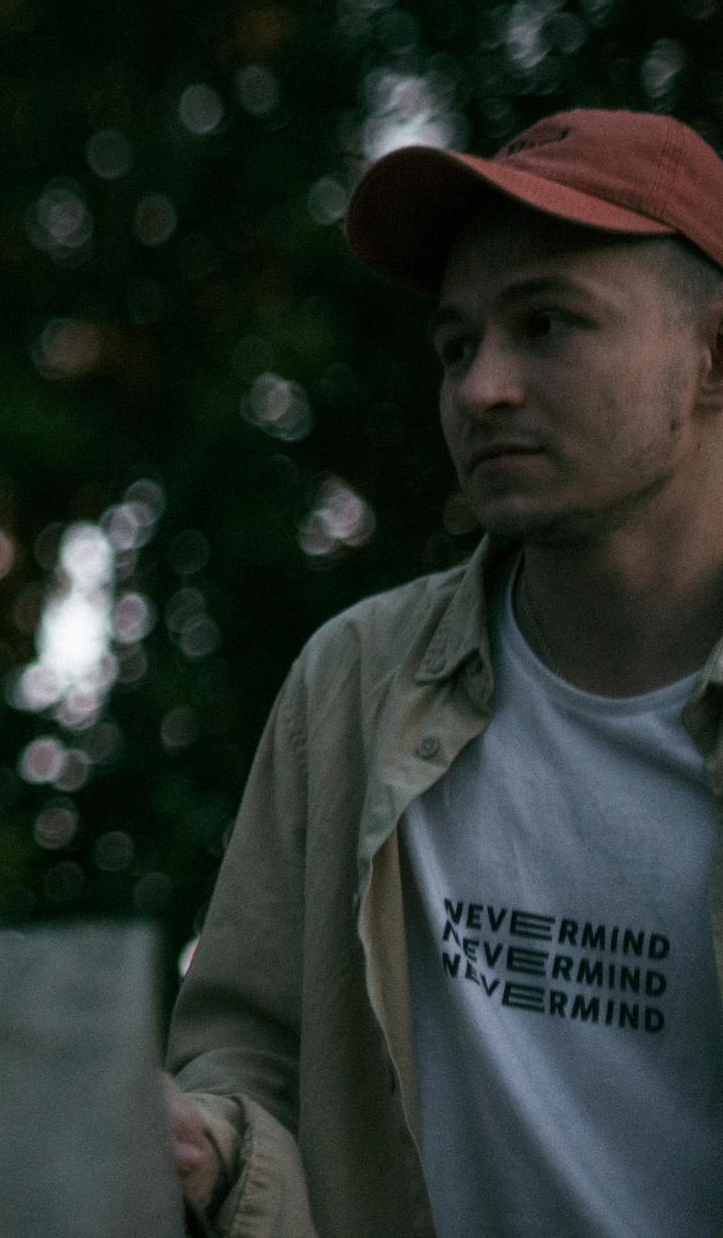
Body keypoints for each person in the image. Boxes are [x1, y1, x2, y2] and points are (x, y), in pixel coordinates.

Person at [162, 109, 723, 1237]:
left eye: (547, 323)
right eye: (456, 345)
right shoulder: (356, 680)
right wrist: (208, 1149)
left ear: (714, 354)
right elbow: (249, 1052)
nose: (481, 388)